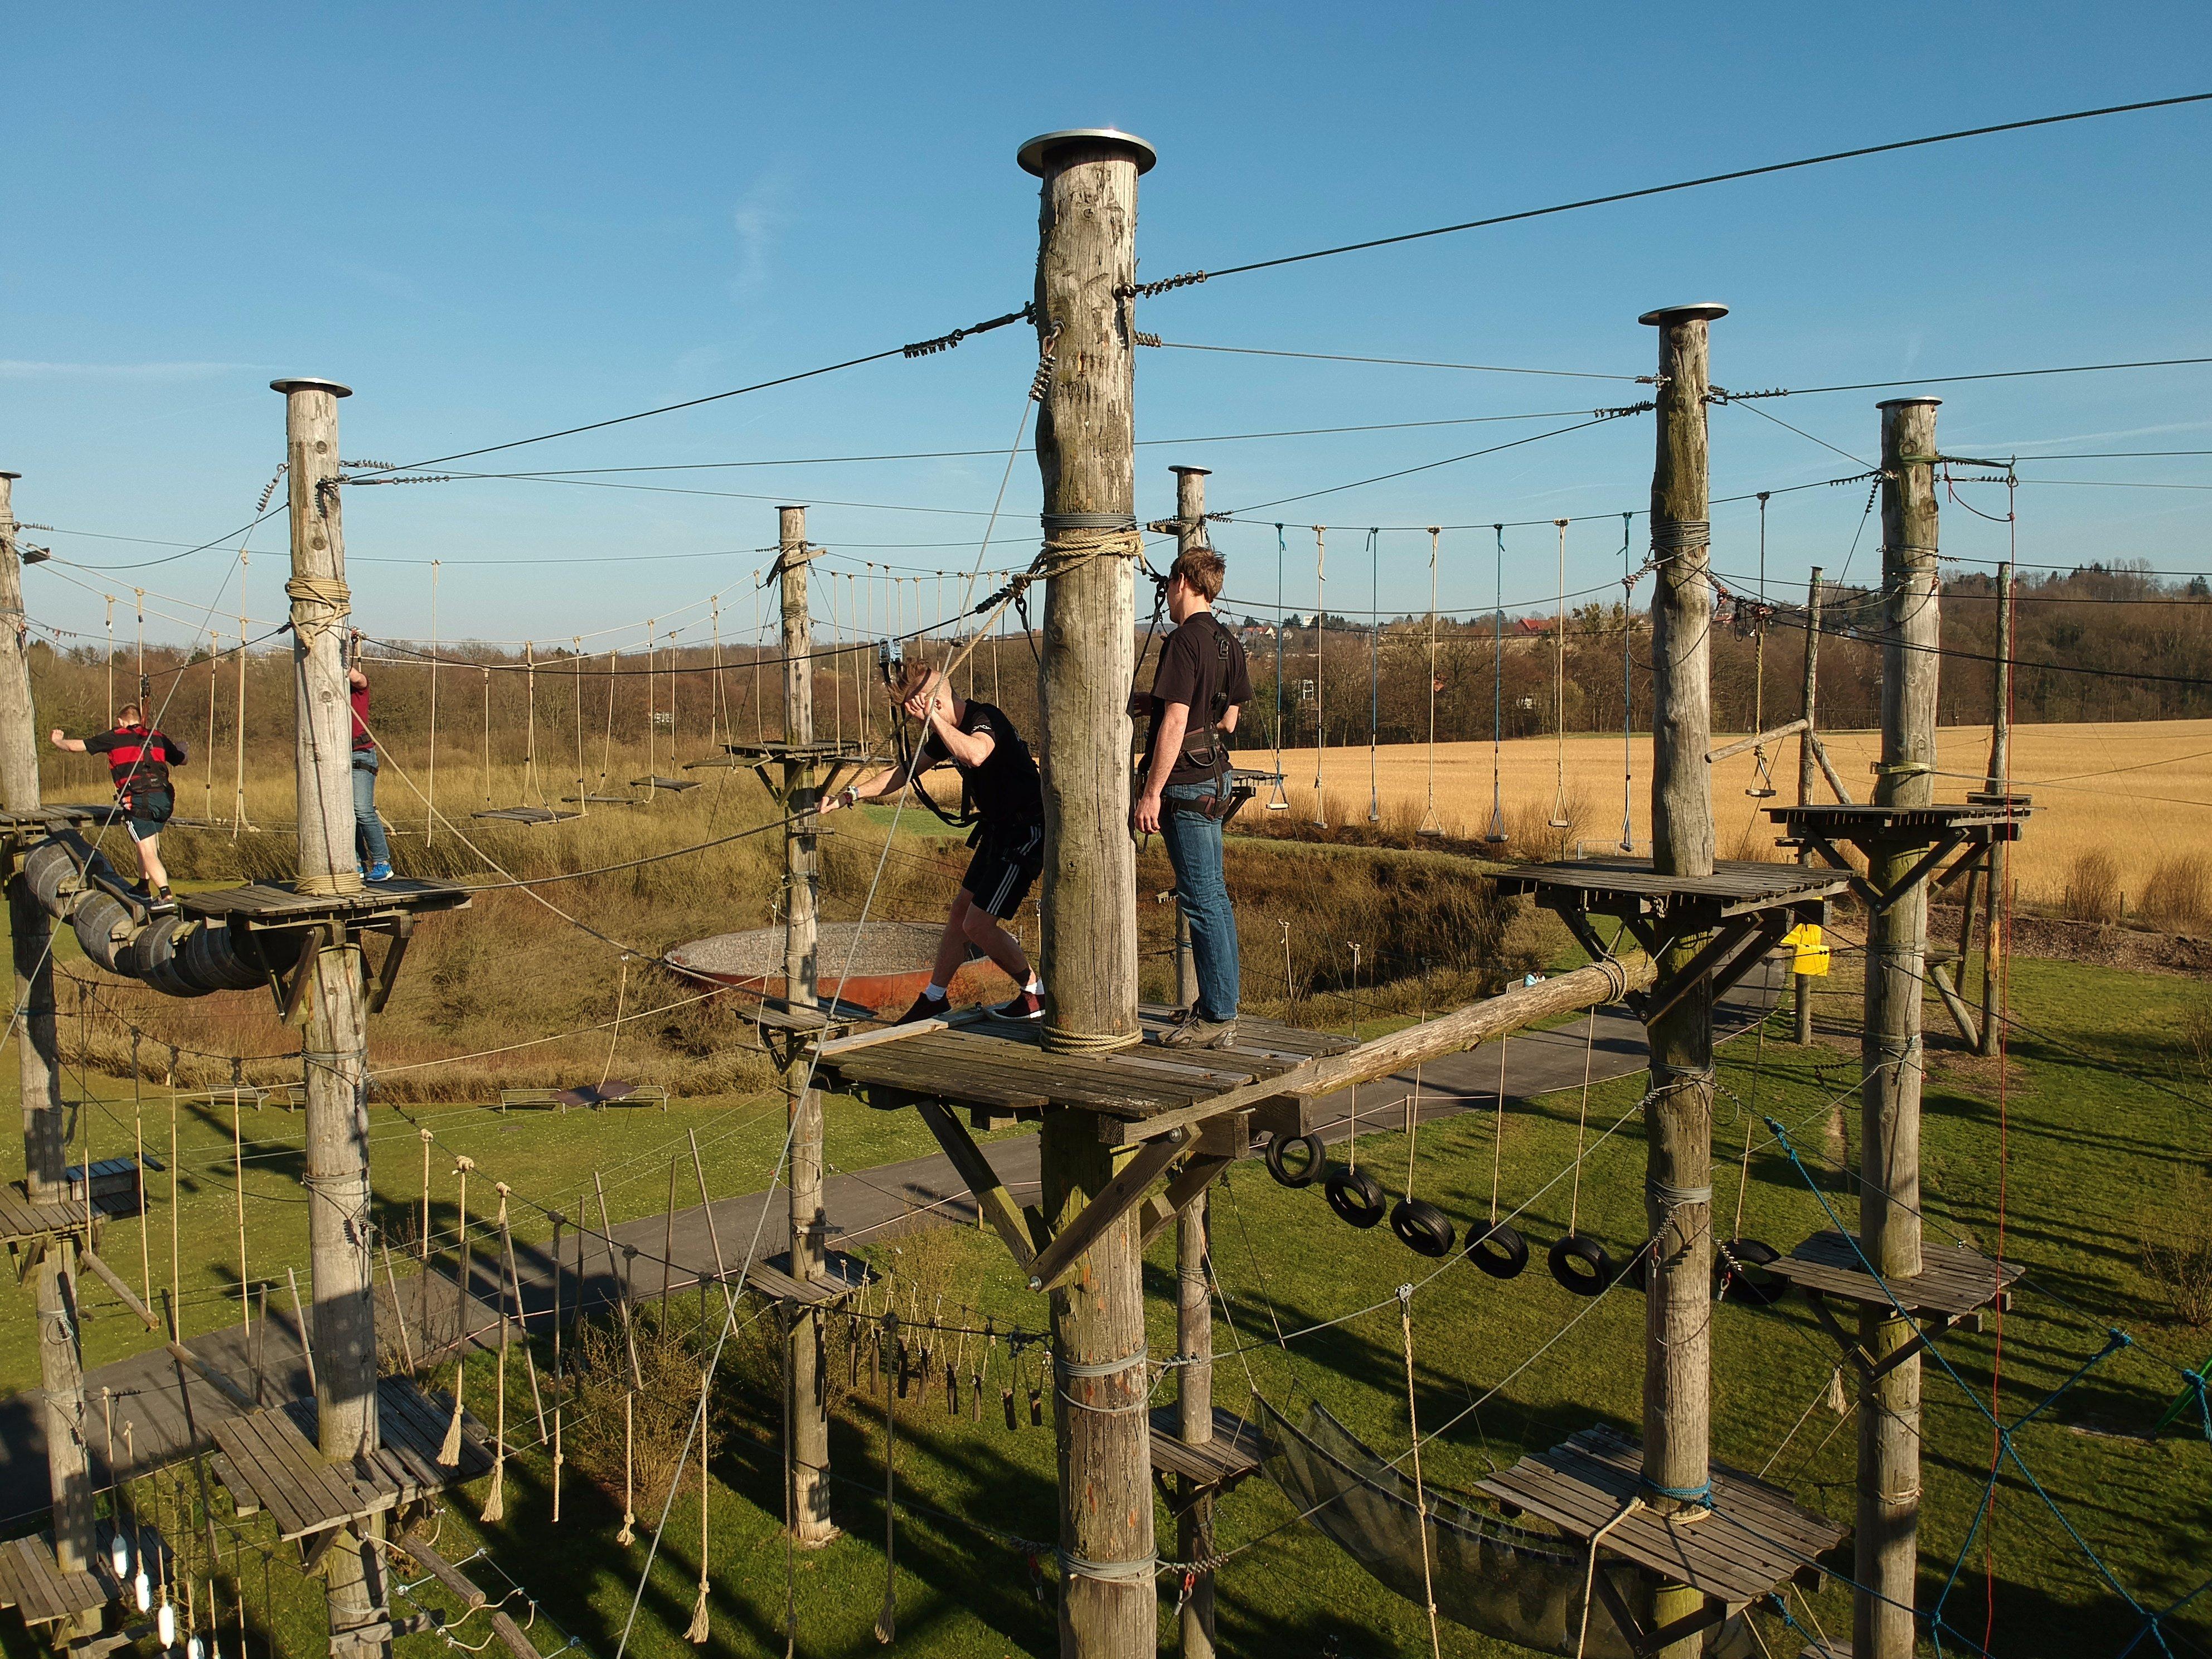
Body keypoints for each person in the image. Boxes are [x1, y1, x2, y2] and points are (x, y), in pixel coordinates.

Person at [822, 656, 1046, 1025]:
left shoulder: (984, 718)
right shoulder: (945, 732)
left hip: (1026, 833)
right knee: (960, 913)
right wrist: (852, 794)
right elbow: (903, 773)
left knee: (977, 925)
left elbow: (975, 753)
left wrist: (935, 720)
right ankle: (935, 997)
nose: (919, 724)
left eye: (919, 714)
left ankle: (1035, 993)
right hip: (997, 832)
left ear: (936, 704)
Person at [1133, 546, 1251, 1049]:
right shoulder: (1228, 641)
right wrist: (1156, 704)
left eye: (1166, 582)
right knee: (1214, 898)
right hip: (1217, 774)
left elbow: (1179, 721)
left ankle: (1220, 1015)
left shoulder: (1183, 642)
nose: (1163, 590)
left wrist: (1151, 792)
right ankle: (1216, 1004)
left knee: (1202, 902)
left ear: (1182, 581)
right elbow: (1227, 719)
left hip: (1185, 783)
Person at [50, 702, 185, 911]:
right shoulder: (157, 736)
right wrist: (184, 748)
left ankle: (165, 895)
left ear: (121, 721)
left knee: (148, 850)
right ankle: (142, 886)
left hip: (139, 800)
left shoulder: (115, 736)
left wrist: (58, 741)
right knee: (147, 842)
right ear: (139, 720)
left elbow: (75, 746)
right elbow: (183, 759)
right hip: (164, 800)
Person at [348, 637, 393, 881]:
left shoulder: (358, 689)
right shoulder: (327, 694)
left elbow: (359, 678)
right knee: (346, 814)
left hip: (360, 754)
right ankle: (356, 862)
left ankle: (381, 861)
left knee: (363, 810)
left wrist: (342, 661)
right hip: (336, 756)